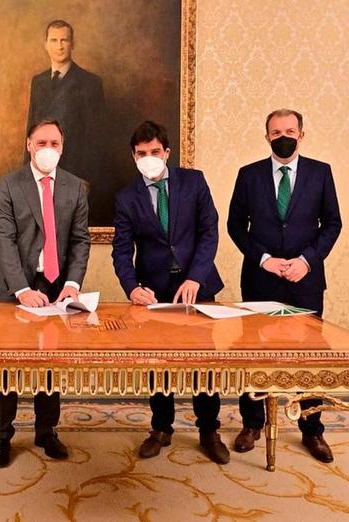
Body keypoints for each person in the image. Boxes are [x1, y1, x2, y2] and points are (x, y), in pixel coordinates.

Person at [227, 109, 342, 463]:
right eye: (275, 132)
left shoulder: (321, 173)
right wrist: (264, 259)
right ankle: (252, 424)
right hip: (260, 279)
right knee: (254, 355)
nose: (283, 136)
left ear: (302, 135)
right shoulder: (248, 175)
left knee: (308, 357)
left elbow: (332, 225)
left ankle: (312, 430)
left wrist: (307, 260)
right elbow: (235, 226)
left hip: (305, 281)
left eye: (290, 130)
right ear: (266, 137)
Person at [111, 121, 229, 464]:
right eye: (141, 153)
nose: (149, 158)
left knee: (204, 365)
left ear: (167, 152)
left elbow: (210, 232)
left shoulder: (194, 181)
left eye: (155, 152)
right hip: (155, 292)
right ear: (134, 157)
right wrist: (132, 288)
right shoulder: (126, 197)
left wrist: (195, 277)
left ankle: (209, 430)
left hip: (197, 287)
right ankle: (161, 428)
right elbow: (121, 250)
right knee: (158, 366)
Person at [0, 118, 90, 468]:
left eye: (55, 144)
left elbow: (80, 240)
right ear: (29, 144)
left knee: (50, 366)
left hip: (55, 288)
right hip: (14, 289)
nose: (49, 149)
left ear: (63, 147)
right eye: (41, 142)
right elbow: (4, 239)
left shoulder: (75, 187)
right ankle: (1, 437)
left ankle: (46, 431)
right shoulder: (9, 184)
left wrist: (72, 284)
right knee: (6, 367)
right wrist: (22, 289)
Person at [25, 19, 108, 225]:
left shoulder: (90, 83)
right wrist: (27, 171)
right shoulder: (39, 82)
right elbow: (31, 129)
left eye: (64, 40)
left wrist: (86, 178)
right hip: (41, 172)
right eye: (54, 40)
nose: (59, 46)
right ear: (46, 44)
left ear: (73, 44)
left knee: (69, 234)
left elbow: (96, 137)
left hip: (75, 173)